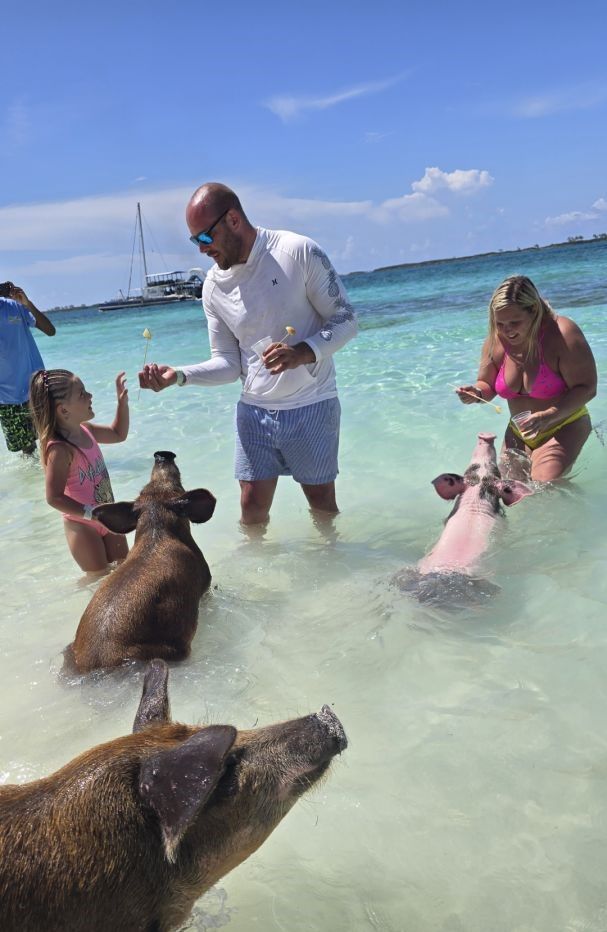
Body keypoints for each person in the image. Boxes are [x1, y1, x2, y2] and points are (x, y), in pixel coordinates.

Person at [139, 182, 358, 525]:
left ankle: (332, 567)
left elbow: (346, 319)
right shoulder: (212, 287)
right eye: (194, 241)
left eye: (205, 238)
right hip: (254, 412)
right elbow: (228, 364)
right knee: (251, 510)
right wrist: (179, 376)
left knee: (322, 505)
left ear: (233, 220)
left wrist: (303, 352)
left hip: (312, 404)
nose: (201, 250)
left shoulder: (298, 251)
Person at [456, 275, 597, 481]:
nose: (507, 330)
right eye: (500, 323)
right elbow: (486, 383)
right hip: (518, 433)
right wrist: (476, 393)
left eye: (515, 322)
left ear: (533, 311)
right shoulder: (496, 339)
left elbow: (587, 387)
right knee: (507, 493)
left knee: (544, 490)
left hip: (563, 425)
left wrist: (549, 415)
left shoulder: (562, 333)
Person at [29, 368, 130, 573]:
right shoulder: (60, 449)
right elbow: (54, 497)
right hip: (81, 525)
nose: (90, 396)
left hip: (107, 516)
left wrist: (122, 404)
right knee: (98, 580)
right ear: (63, 410)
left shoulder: (87, 430)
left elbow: (118, 434)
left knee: (125, 572)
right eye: (82, 394)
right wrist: (90, 514)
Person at [0, 281, 56, 455]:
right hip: (6, 397)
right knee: (28, 451)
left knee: (53, 438)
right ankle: (37, 480)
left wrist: (27, 303)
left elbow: (50, 330)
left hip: (37, 386)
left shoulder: (15, 306)